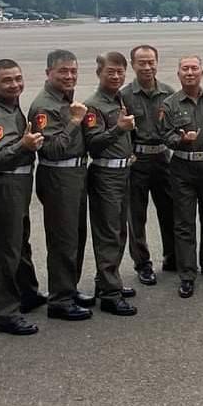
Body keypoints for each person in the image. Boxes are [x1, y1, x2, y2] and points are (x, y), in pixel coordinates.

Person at [0, 59, 44, 337]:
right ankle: (6, 313)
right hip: (5, 183)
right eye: (7, 80)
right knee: (5, 249)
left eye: (18, 78)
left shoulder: (10, 106)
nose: (15, 84)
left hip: (19, 182)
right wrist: (24, 145)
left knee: (19, 241)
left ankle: (27, 293)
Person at [28, 49, 93, 322]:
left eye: (73, 71)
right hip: (58, 176)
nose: (69, 76)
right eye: (63, 71)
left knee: (76, 236)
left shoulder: (65, 99)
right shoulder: (45, 106)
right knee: (63, 240)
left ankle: (69, 288)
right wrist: (75, 121)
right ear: (48, 73)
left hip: (75, 173)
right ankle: (60, 300)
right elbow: (52, 149)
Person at [159, 55, 203, 298]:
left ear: (202, 72)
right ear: (178, 74)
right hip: (182, 167)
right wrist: (180, 140)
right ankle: (187, 274)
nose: (190, 73)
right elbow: (165, 135)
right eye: (185, 69)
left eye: (194, 68)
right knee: (184, 222)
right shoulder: (169, 104)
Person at [84, 51, 138, 316]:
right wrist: (119, 129)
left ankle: (106, 280)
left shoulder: (119, 99)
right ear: (99, 73)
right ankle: (109, 294)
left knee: (119, 231)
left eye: (120, 72)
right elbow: (92, 144)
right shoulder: (93, 105)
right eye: (110, 72)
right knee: (108, 233)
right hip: (105, 175)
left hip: (122, 172)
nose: (116, 76)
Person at [120, 45, 176, 284]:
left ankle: (172, 256)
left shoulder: (168, 93)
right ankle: (143, 263)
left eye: (151, 62)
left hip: (163, 158)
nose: (147, 67)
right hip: (138, 161)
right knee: (136, 216)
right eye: (141, 63)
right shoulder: (124, 95)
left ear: (157, 63)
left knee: (170, 210)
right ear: (133, 65)